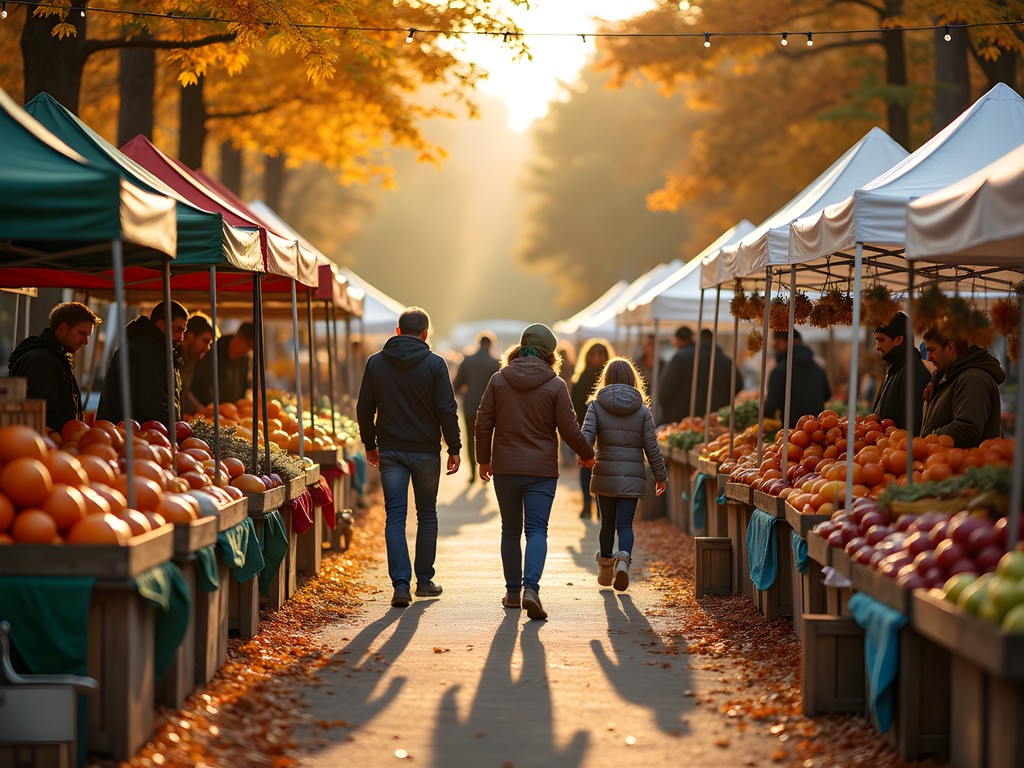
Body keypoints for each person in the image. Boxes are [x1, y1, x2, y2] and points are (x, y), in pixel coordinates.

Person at [476, 323, 596, 621]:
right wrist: (588, 454)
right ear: (550, 354)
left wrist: (483, 459)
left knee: (510, 530)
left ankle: (513, 592)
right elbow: (569, 427)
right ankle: (531, 588)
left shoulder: (498, 380)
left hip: (505, 467)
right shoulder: (555, 384)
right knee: (537, 530)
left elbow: (482, 422)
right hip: (541, 469)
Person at [356, 307, 461, 608]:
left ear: (397, 330)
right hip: (426, 451)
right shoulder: (435, 364)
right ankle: (424, 581)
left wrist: (370, 443)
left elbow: (364, 408)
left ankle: (400, 585)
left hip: (391, 450)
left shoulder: (376, 363)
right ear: (426, 332)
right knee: (427, 514)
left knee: (396, 516)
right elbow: (446, 409)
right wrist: (453, 447)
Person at [582, 357, 667, 592]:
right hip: (632, 474)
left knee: (606, 523)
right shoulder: (641, 410)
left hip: (605, 472)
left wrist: (585, 455)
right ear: (632, 379)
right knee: (626, 524)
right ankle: (623, 562)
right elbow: (652, 446)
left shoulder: (596, 406)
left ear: (606, 379)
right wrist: (660, 476)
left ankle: (605, 568)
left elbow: (586, 434)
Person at [7, 301, 100, 433]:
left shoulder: (56, 358)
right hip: (43, 445)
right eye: (82, 333)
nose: (85, 342)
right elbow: (44, 415)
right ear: (63, 327)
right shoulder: (41, 361)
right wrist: (74, 431)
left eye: (88, 335)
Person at [96, 301, 188, 424]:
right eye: (178, 330)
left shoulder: (156, 349)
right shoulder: (146, 350)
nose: (181, 338)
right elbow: (148, 404)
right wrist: (169, 431)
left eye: (183, 332)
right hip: (131, 435)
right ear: (161, 324)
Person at [921, 327, 1005, 447]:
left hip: (970, 463)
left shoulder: (973, 380)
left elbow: (967, 429)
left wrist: (929, 438)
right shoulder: (948, 376)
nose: (928, 357)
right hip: (945, 461)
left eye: (931, 350)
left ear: (951, 346)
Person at [571, 338, 613, 520]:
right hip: (586, 430)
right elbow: (575, 407)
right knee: (585, 467)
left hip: (607, 430)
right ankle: (587, 504)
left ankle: (601, 505)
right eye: (593, 354)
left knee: (604, 468)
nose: (597, 357)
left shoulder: (610, 380)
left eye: (601, 353)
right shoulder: (580, 379)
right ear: (587, 357)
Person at [451, 332, 500, 483]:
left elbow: (457, 384)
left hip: (470, 406)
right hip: (490, 409)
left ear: (478, 343)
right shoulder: (495, 363)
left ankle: (472, 472)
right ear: (491, 344)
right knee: (489, 439)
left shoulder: (468, 360)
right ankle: (486, 471)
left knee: (470, 439)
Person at [870, 312, 930, 432]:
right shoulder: (896, 368)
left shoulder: (912, 373)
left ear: (898, 340)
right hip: (888, 447)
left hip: (901, 448)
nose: (877, 346)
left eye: (881, 340)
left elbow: (913, 425)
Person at [763, 329, 831, 428]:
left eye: (776, 341)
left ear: (784, 342)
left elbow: (772, 404)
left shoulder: (781, 369)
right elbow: (827, 395)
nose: (774, 346)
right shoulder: (818, 368)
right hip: (816, 431)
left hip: (790, 434)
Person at [190, 321, 254, 406]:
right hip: (206, 410)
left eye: (252, 348)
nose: (249, 350)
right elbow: (199, 385)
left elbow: (244, 388)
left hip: (231, 413)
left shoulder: (244, 359)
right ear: (239, 338)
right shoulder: (212, 349)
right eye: (249, 345)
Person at [655, 326, 695, 424]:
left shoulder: (679, 357)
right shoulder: (698, 355)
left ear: (676, 340)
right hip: (694, 411)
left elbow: (667, 388)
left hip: (676, 414)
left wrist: (662, 402)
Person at [179, 313, 215, 416]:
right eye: (205, 341)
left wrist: (204, 412)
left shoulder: (190, 360)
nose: (207, 348)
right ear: (189, 336)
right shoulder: (171, 358)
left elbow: (184, 392)